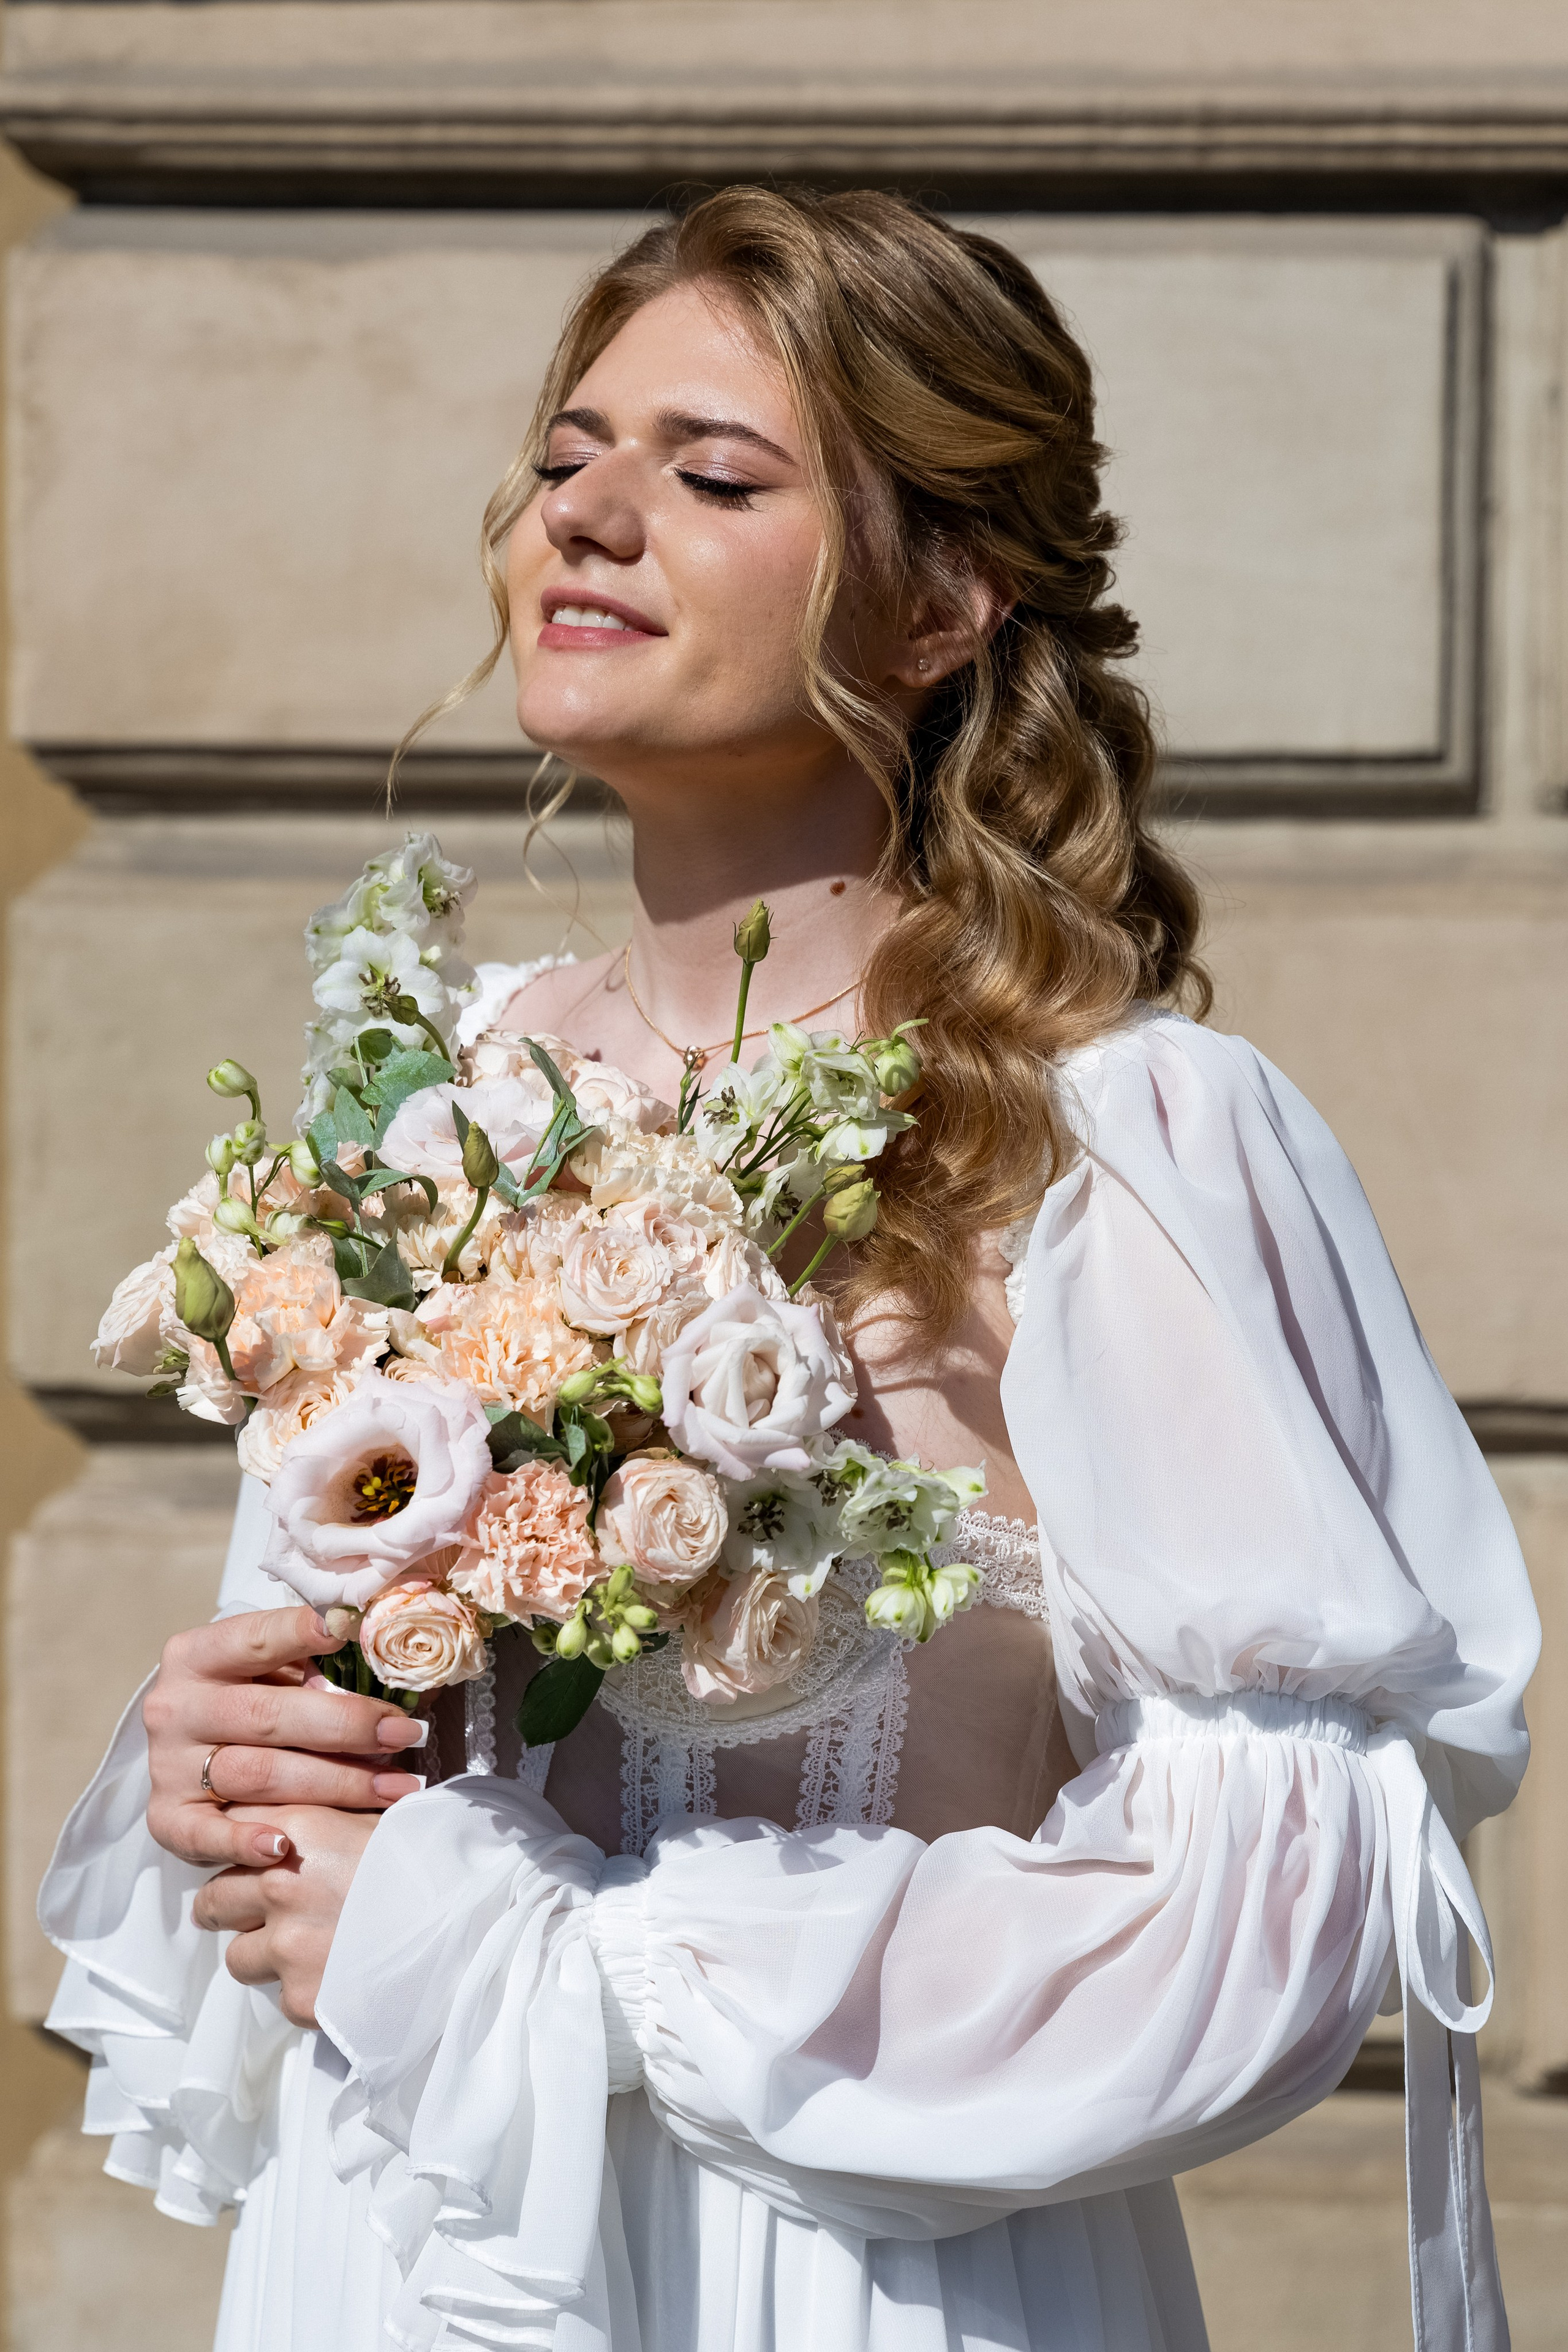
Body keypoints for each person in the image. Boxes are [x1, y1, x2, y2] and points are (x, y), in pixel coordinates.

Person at [40, 188, 1539, 2352]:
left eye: (713, 472)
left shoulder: (1113, 1137)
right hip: (414, 2244)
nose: (592, 516)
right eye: (567, 457)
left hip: (849, 2280)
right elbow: (357, 1810)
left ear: (944, 599)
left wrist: (578, 1973)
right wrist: (236, 1762)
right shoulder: (438, 1107)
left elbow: (1267, 1915)